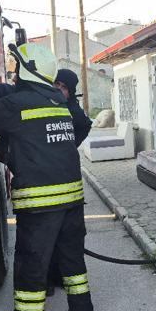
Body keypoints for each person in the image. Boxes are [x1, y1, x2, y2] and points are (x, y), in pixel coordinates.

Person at [0, 43, 93, 311]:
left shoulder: (18, 104)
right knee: (72, 258)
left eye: (16, 69)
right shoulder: (57, 100)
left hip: (40, 202)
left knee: (31, 263)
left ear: (27, 69)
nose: (13, 74)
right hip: (72, 197)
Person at [45, 68, 91, 296]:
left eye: (63, 87)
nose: (57, 89)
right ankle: (49, 279)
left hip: (67, 187)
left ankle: (64, 279)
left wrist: (68, 146)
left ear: (71, 92)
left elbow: (84, 125)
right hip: (44, 185)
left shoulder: (73, 113)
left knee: (67, 240)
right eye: (55, 84)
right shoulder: (44, 105)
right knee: (46, 240)